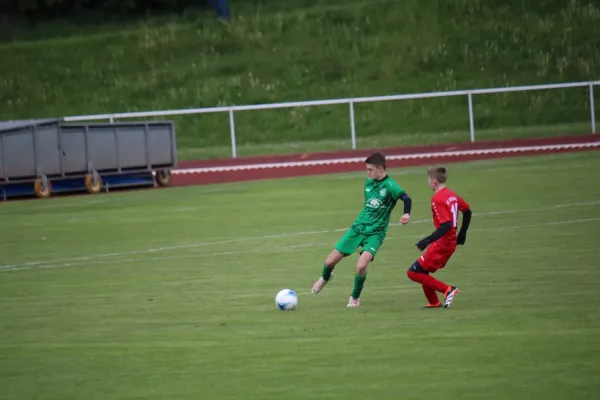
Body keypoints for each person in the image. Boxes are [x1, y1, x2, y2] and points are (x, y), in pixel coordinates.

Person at [312, 152, 412, 307]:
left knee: (361, 266)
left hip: (376, 233)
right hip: (358, 228)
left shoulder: (391, 185)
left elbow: (406, 198)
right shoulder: (368, 182)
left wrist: (406, 213)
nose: (368, 172)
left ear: (380, 168)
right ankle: (325, 278)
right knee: (330, 261)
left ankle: (354, 298)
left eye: (370, 169)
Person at [407, 166, 472, 308]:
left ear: (434, 182)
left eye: (429, 180)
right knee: (423, 271)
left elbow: (446, 225)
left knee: (412, 272)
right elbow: (467, 211)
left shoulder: (437, 199)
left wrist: (426, 240)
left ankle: (448, 289)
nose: (428, 183)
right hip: (449, 242)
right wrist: (461, 235)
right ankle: (433, 302)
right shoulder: (451, 195)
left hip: (443, 243)